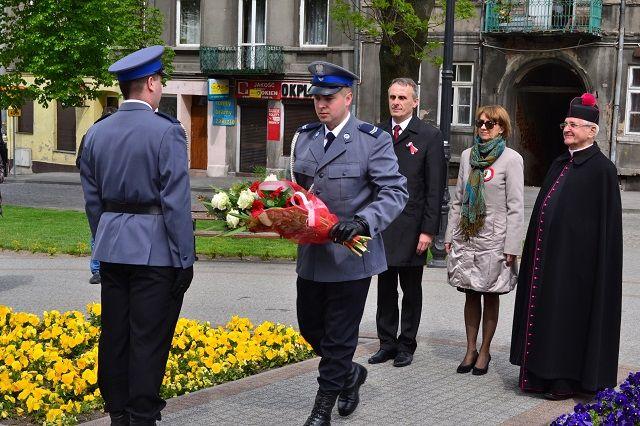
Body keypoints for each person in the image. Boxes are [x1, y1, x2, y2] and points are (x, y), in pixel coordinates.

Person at [79, 45, 195, 426]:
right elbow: (175, 202)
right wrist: (185, 257)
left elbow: (93, 202)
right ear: (149, 83)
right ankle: (142, 414)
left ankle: (117, 412)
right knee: (149, 337)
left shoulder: (96, 133)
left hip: (113, 246)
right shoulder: (168, 132)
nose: (160, 87)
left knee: (115, 334)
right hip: (156, 251)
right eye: (159, 81)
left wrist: (104, 240)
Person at [291, 61, 408, 425]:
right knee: (311, 327)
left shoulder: (372, 140)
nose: (321, 104)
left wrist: (362, 222)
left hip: (351, 257)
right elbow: (295, 189)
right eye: (317, 98)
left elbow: (394, 191)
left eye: (328, 98)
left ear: (348, 97)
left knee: (341, 336)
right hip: (312, 254)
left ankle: (321, 411)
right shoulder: (305, 136)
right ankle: (351, 374)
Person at [510, 93, 622, 400]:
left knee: (567, 321)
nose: (566, 129)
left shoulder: (603, 171)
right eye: (565, 123)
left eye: (573, 124)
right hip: (549, 262)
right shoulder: (560, 163)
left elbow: (606, 233)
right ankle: (539, 376)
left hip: (579, 271)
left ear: (591, 131)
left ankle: (565, 380)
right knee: (547, 318)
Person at [368, 78, 445, 368]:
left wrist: (429, 230)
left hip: (413, 226)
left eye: (402, 97)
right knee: (385, 287)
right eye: (392, 97)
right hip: (383, 224)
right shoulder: (377, 132)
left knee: (411, 289)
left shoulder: (428, 135)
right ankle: (386, 343)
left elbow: (434, 188)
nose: (396, 102)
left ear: (415, 102)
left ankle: (406, 344)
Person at [445, 105, 524, 376]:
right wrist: (449, 236)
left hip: (495, 239)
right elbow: (458, 199)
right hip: (468, 236)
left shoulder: (511, 159)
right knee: (470, 293)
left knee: (490, 294)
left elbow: (516, 206)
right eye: (479, 122)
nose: (483, 127)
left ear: (501, 127)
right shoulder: (468, 156)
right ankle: (470, 349)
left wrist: (512, 246)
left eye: (489, 124)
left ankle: (486, 350)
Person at [76, 106, 118, 285]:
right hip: (110, 189)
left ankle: (99, 269)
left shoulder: (91, 134)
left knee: (98, 226)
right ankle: (99, 268)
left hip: (97, 189)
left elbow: (79, 161)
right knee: (101, 228)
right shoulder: (115, 134)